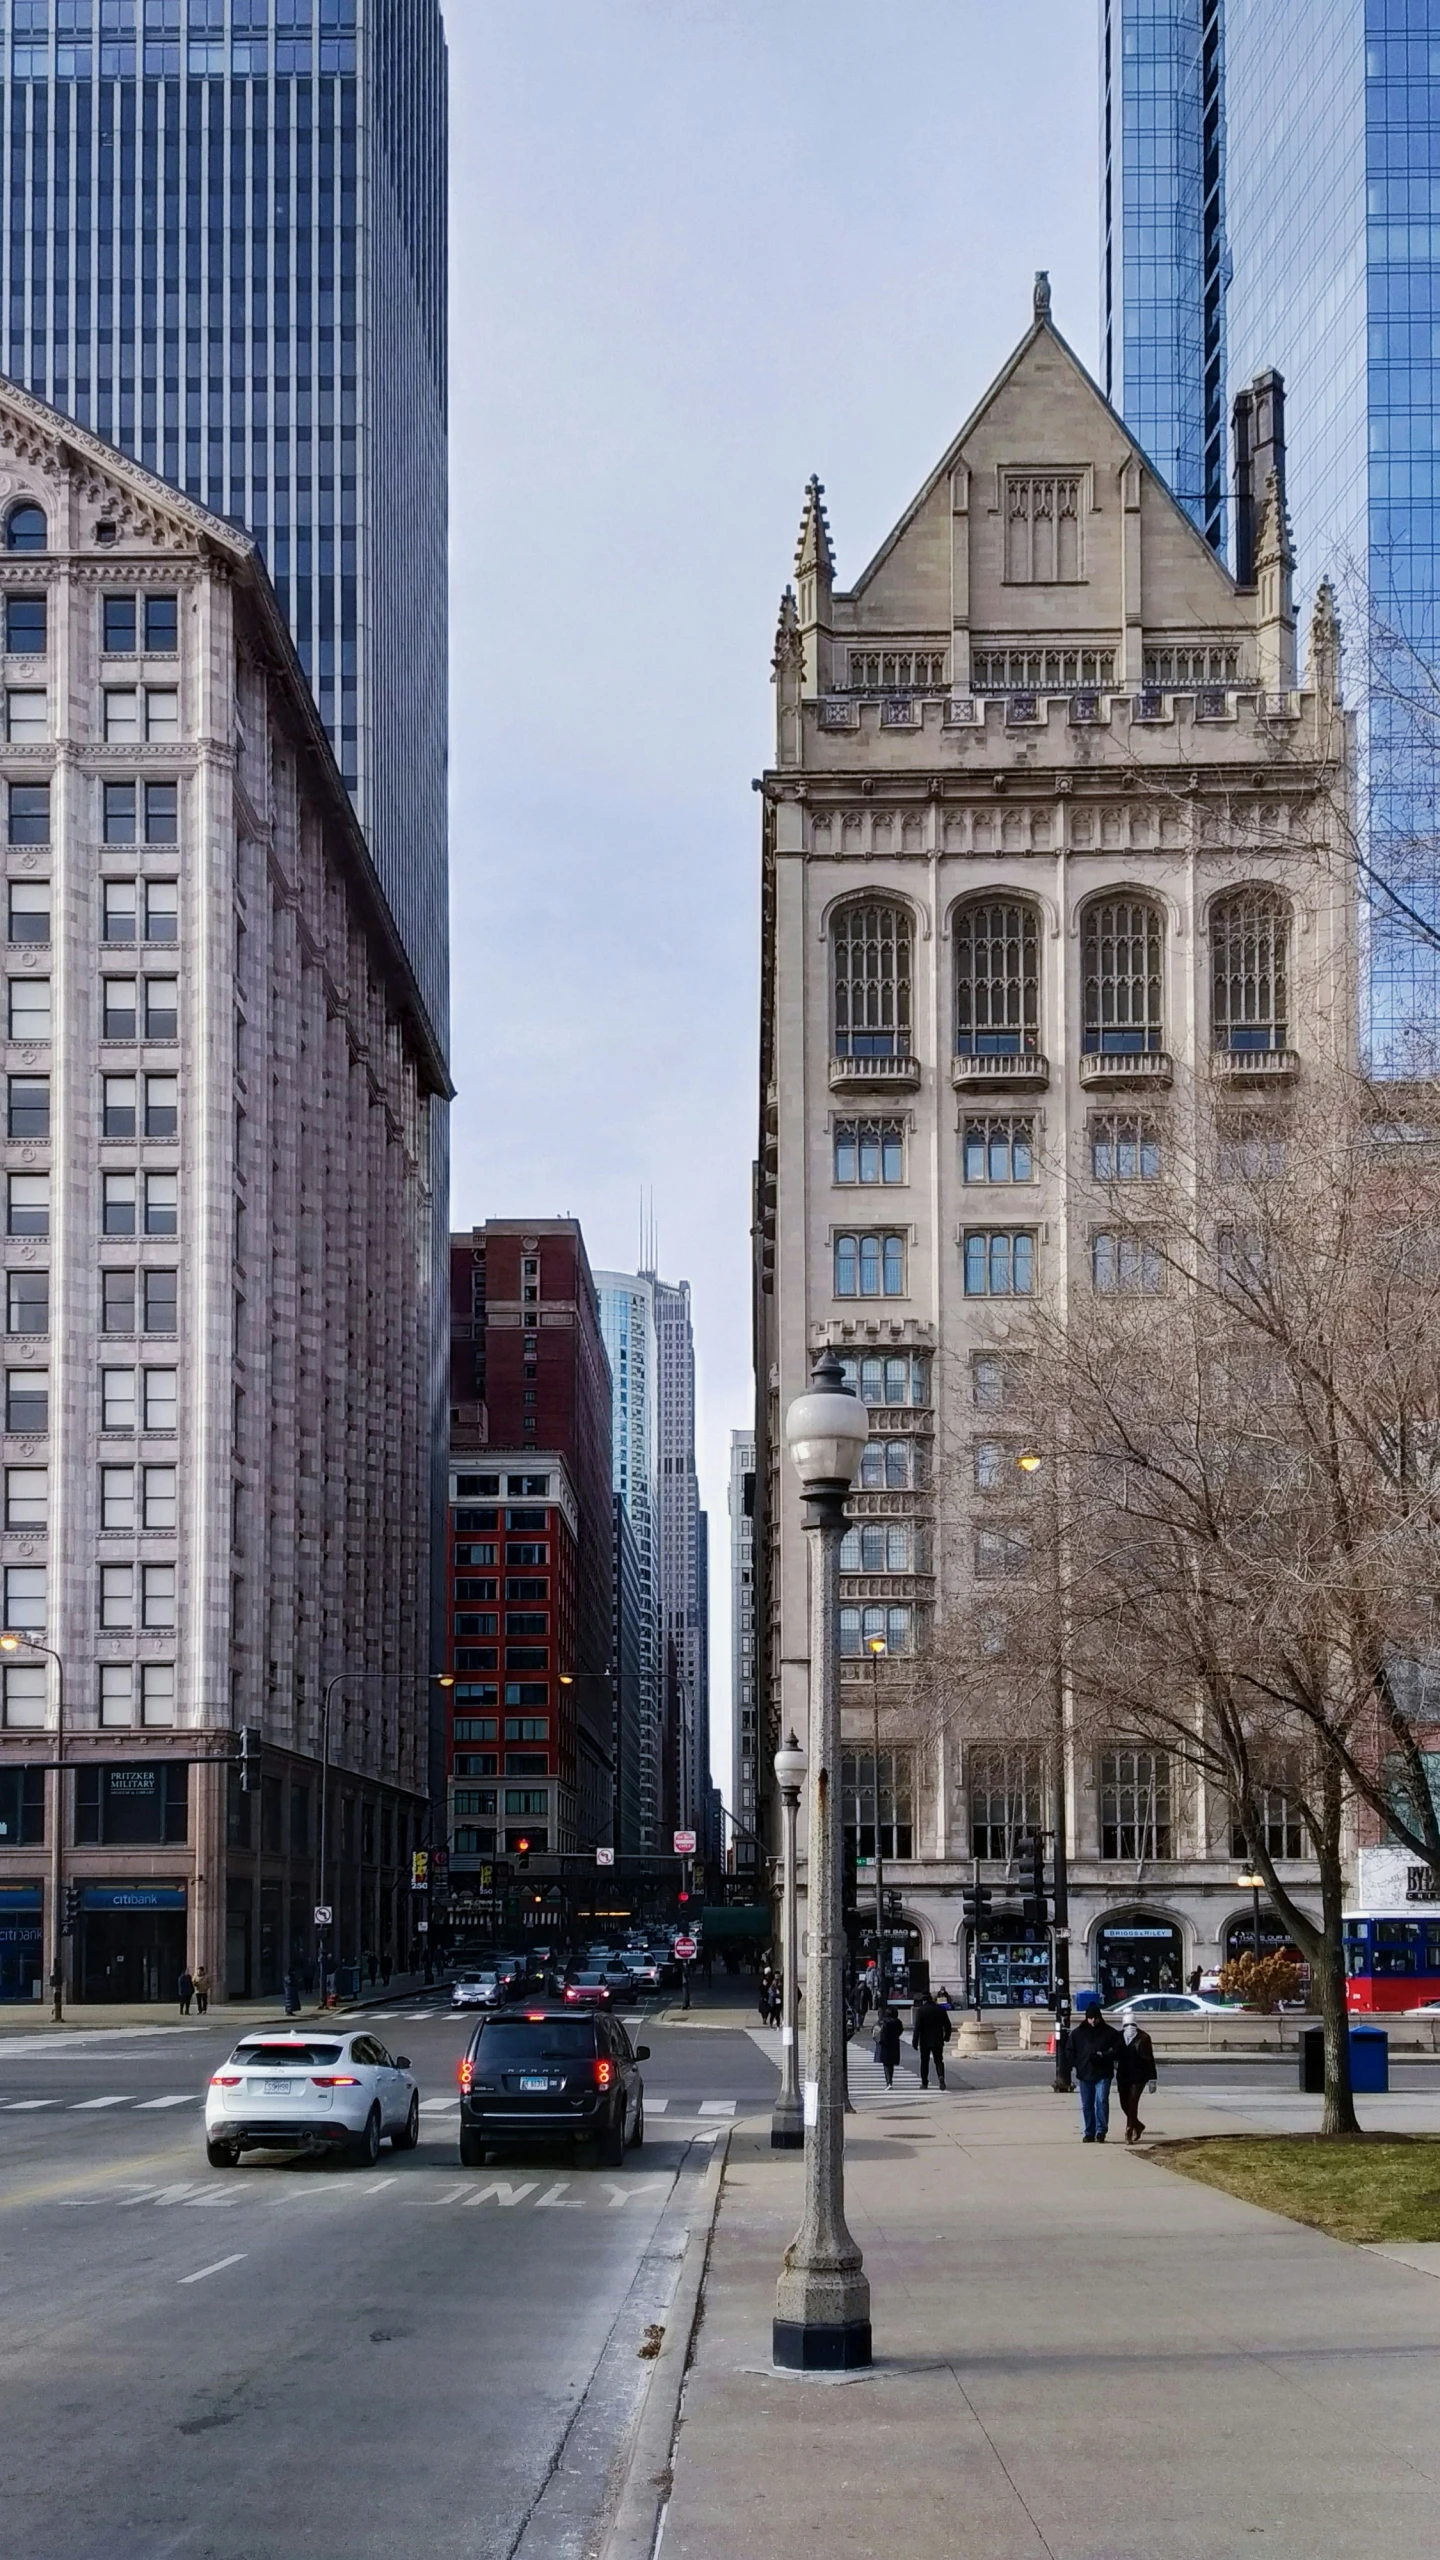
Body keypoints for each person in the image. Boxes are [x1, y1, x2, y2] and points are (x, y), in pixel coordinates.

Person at [1057, 1994, 1123, 2142]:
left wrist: (1104, 2055)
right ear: (1086, 2018)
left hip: (1103, 2073)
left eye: (1096, 2018)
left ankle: (1101, 2130)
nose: (1093, 2021)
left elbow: (1118, 2050)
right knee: (1087, 2105)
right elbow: (1069, 2050)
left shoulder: (1109, 2032)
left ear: (1100, 2017)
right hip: (1084, 2072)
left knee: (1101, 2101)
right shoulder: (1078, 2033)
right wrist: (1076, 2063)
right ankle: (1089, 2132)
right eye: (1090, 2018)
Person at [1116, 2020, 1158, 2144]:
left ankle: (1129, 2131)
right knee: (1124, 2104)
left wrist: (1153, 2078)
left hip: (1139, 2076)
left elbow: (1150, 2058)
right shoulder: (1119, 2036)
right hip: (1123, 2075)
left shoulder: (1144, 2038)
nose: (1130, 2028)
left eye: (1132, 2025)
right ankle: (1138, 2125)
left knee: (1133, 2102)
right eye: (1126, 2025)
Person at [912, 1990, 952, 2090]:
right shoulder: (940, 2009)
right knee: (938, 2060)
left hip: (925, 2040)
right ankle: (941, 2077)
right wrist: (947, 2036)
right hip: (937, 2039)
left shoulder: (921, 2011)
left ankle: (924, 2082)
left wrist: (915, 2041)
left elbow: (917, 2027)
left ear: (923, 2001)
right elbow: (947, 2025)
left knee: (924, 2062)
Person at [873, 2004, 902, 2087]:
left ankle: (888, 2082)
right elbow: (900, 2031)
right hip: (894, 2044)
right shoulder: (898, 2022)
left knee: (886, 2064)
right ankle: (890, 2080)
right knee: (891, 2064)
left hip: (884, 2044)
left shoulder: (882, 2022)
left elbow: (875, 2031)